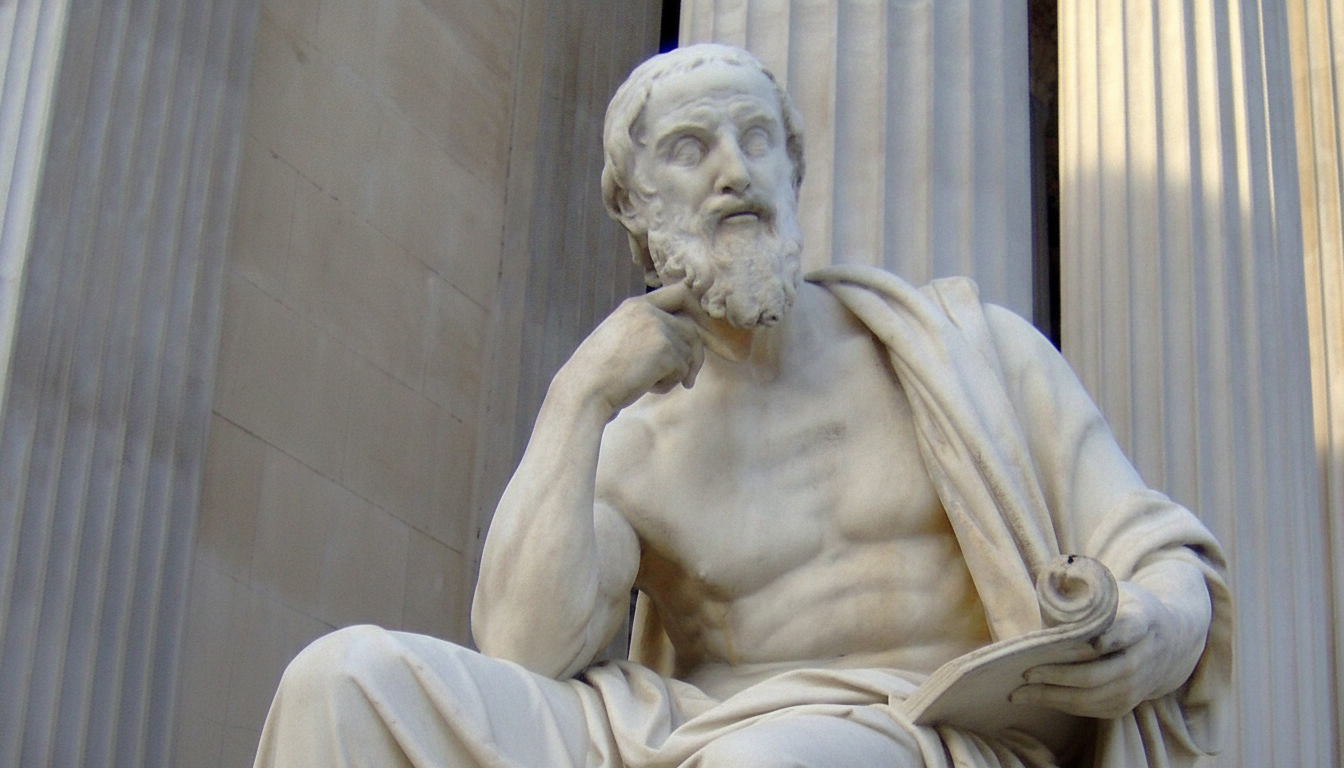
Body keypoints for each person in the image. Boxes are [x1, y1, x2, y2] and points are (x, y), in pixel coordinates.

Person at [253, 44, 1230, 768]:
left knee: (769, 766)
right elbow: (522, 652)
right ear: (633, 208)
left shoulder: (970, 354)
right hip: (694, 734)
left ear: (791, 172)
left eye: (756, 138)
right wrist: (578, 398)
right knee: (340, 681)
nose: (734, 169)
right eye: (690, 146)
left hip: (932, 733)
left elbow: (1163, 556)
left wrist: (1154, 629)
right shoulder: (632, 440)